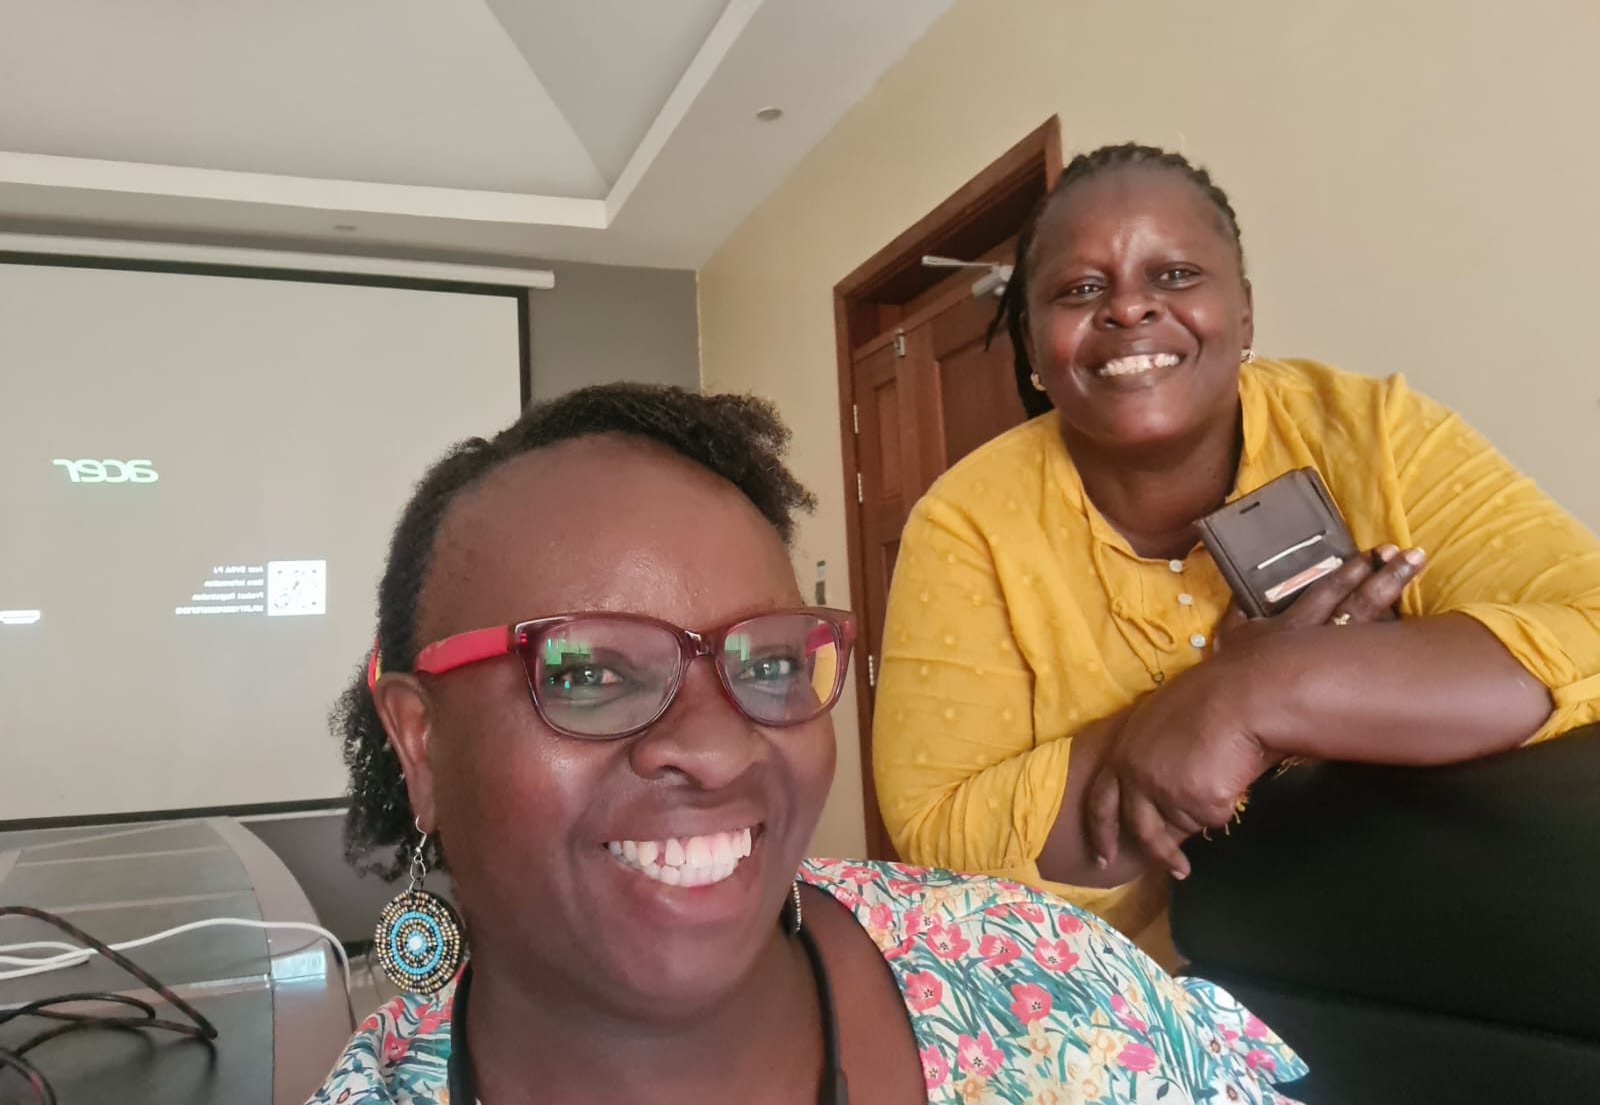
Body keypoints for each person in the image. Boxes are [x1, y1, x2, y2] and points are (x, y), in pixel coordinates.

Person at [308, 383, 1308, 1104]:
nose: (718, 747)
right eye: (590, 673)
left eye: (772, 663)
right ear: (422, 743)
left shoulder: (1046, 985)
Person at [873, 143, 1600, 960]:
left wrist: (1255, 694)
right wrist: (1175, 727)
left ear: (1245, 312)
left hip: (1403, 955)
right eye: (1080, 290)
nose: (1129, 309)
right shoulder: (969, 522)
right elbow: (939, 837)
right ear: (1035, 353)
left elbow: (1589, 625)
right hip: (1114, 1011)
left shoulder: (1376, 434)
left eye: (1176, 275)